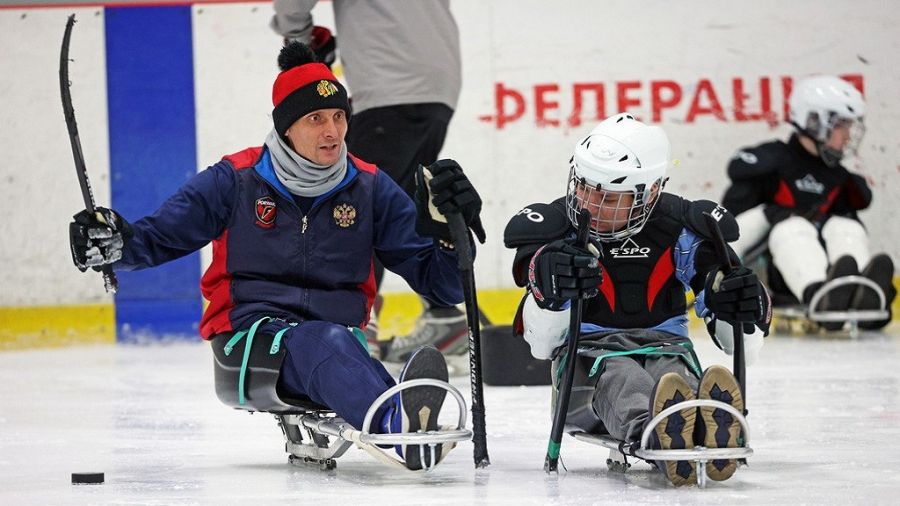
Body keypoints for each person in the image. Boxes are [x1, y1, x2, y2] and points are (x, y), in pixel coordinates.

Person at [68, 42, 484, 470]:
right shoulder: (236, 180)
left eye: (339, 117)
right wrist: (114, 243)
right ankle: (398, 423)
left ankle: (400, 416)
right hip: (247, 340)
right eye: (316, 118)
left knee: (334, 342)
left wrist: (452, 236)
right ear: (287, 127)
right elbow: (155, 238)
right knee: (323, 341)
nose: (332, 131)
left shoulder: (371, 188)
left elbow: (444, 285)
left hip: (337, 343)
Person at [503, 113, 772, 486]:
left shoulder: (681, 227)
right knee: (622, 376)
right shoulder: (556, 229)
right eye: (583, 186)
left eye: (609, 196)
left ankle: (703, 420)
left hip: (668, 346)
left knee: (672, 374)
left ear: (650, 193)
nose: (589, 203)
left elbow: (739, 338)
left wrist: (739, 303)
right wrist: (550, 290)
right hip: (588, 360)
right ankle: (657, 429)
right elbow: (541, 346)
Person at [270, 0, 471, 362]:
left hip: (390, 83)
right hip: (438, 83)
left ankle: (354, 327)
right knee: (404, 198)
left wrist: (298, 39)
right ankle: (444, 317)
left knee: (352, 203)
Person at [722, 75, 895, 330]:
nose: (848, 135)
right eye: (841, 126)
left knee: (845, 226)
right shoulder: (771, 162)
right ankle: (818, 296)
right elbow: (729, 233)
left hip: (825, 263)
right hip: (776, 277)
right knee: (792, 228)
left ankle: (858, 292)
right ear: (814, 121)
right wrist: (769, 214)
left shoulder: (839, 178)